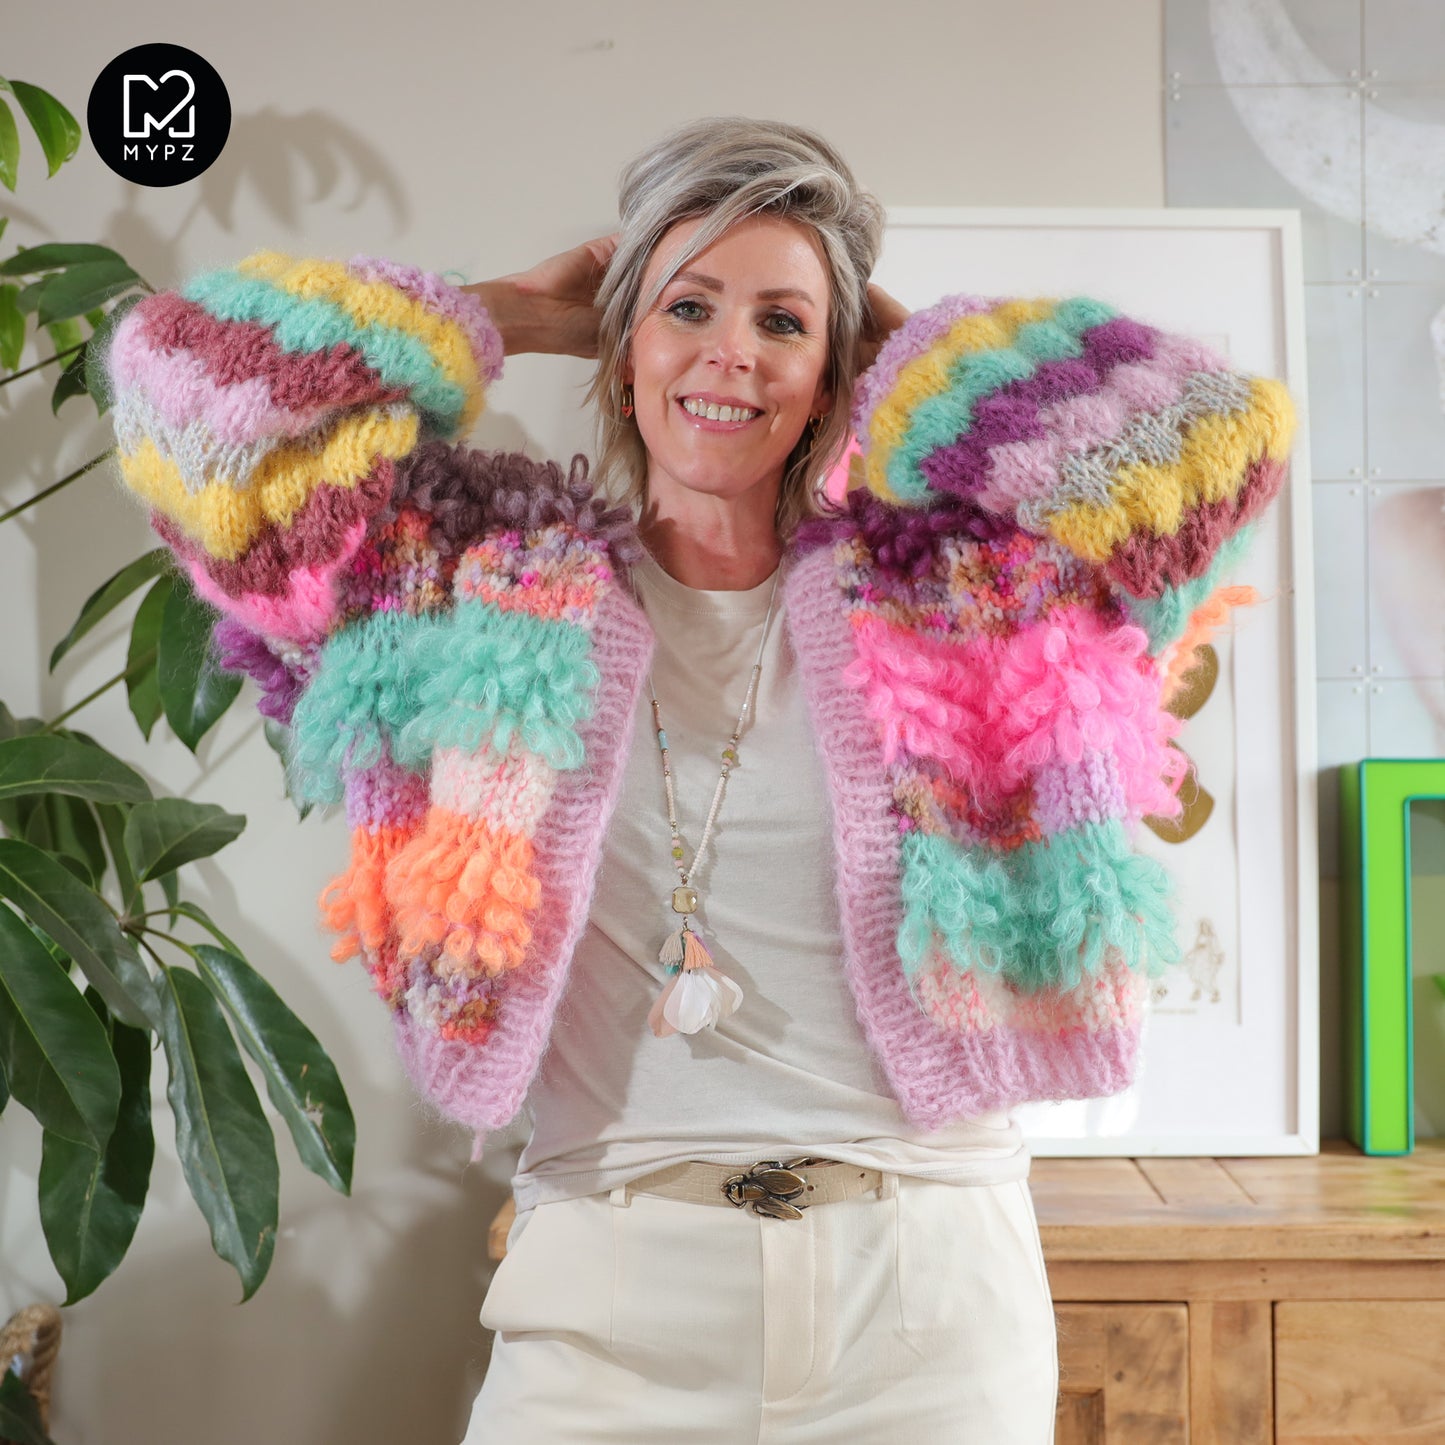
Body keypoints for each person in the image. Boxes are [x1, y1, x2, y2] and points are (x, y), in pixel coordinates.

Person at [106, 116, 1295, 1444]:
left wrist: (912, 353)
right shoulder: (462, 580)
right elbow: (192, 405)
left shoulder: (977, 594)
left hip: (925, 1296)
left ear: (831, 372)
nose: (732, 350)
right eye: (686, 307)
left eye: (783, 322)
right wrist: (508, 314)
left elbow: (1211, 446)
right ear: (624, 351)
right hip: (607, 1294)